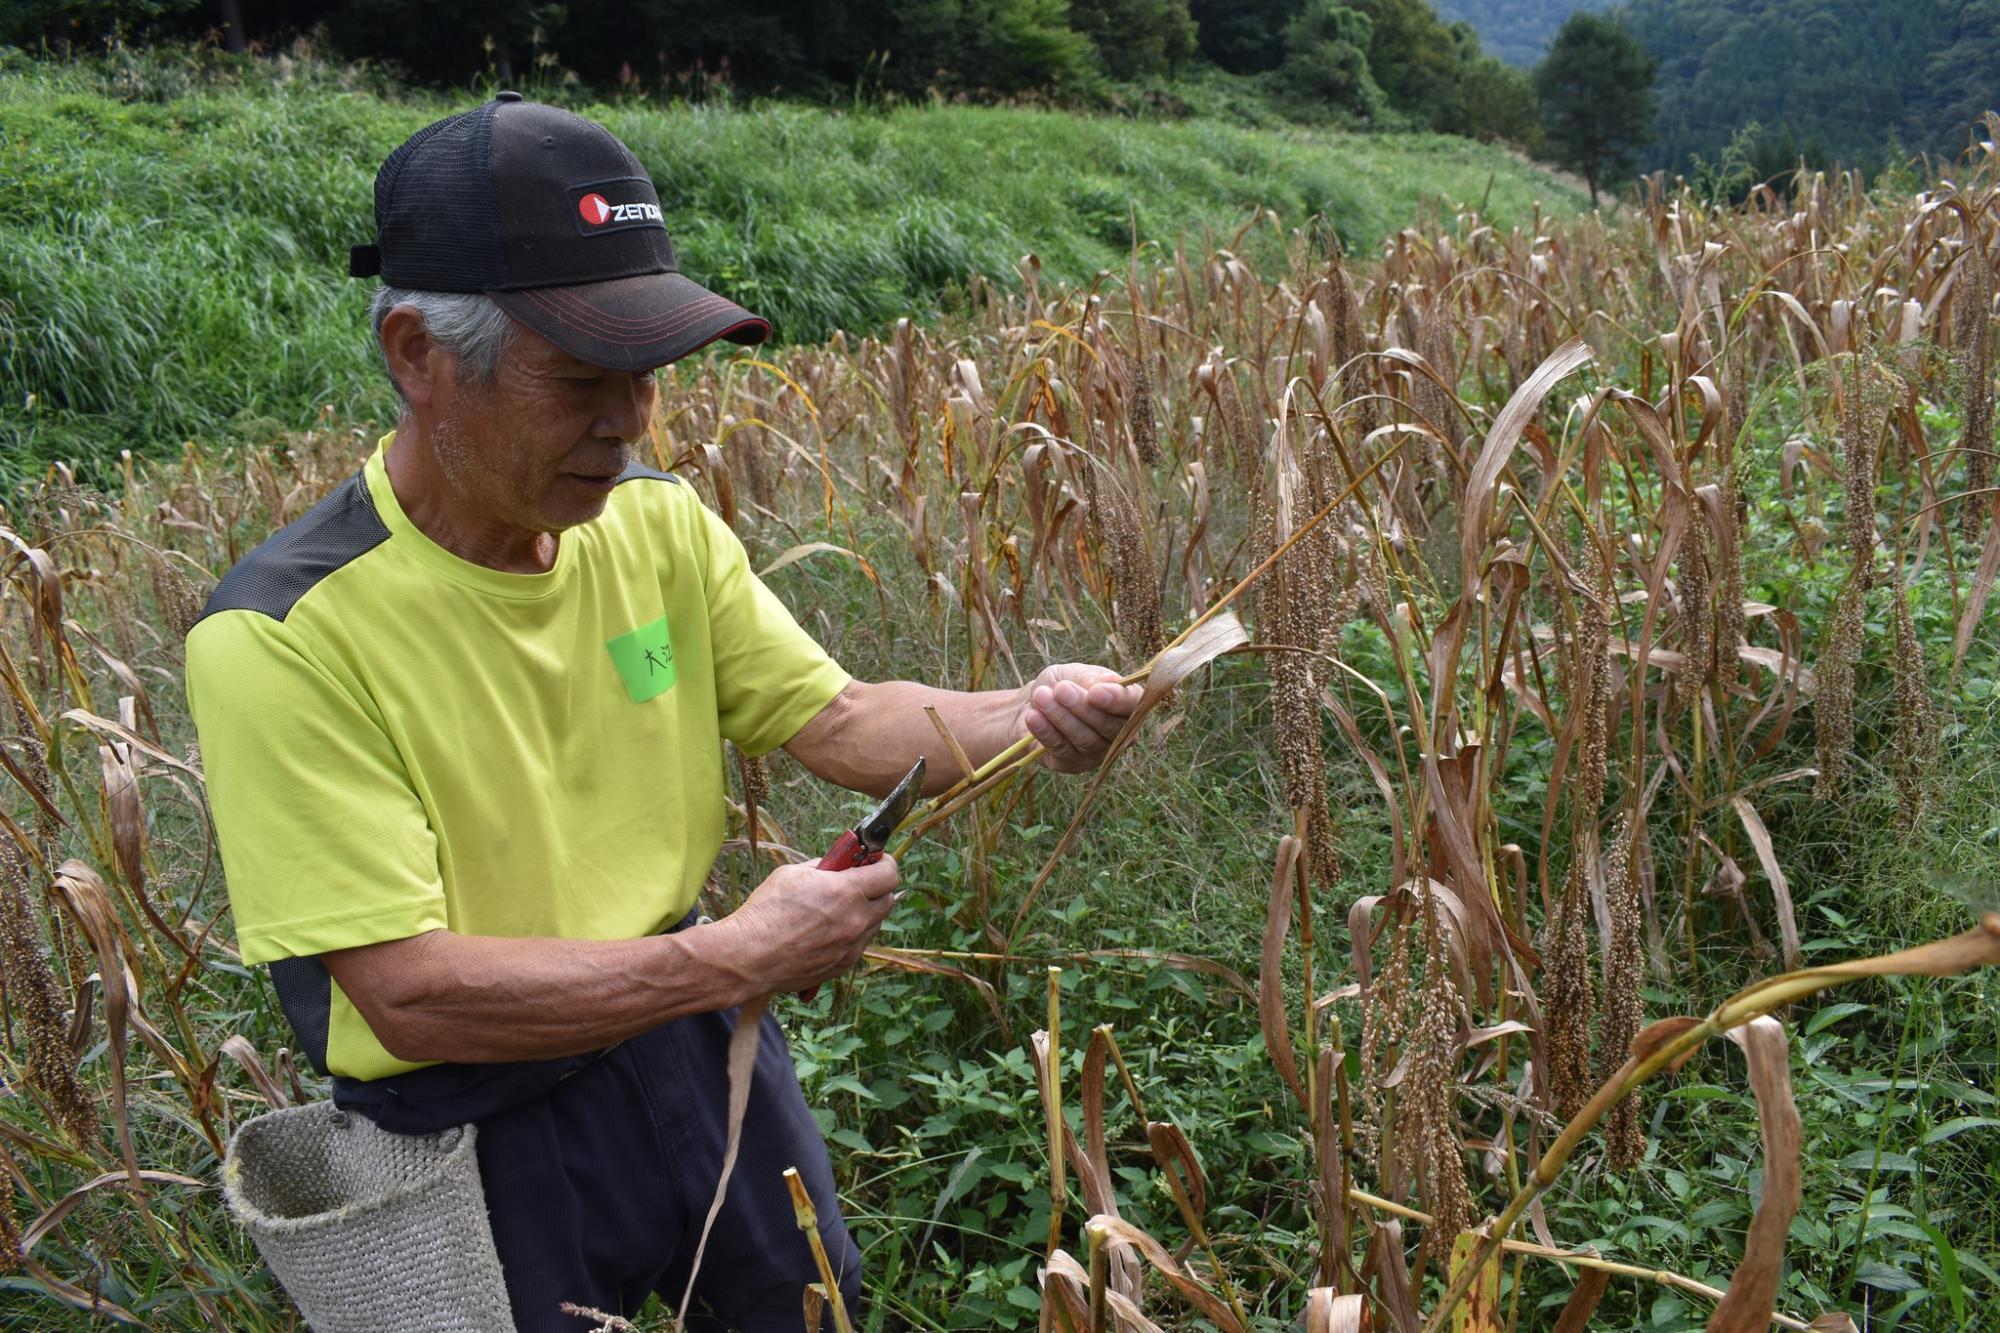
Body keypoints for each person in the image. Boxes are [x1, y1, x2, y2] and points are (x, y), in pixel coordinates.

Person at [184, 94, 1142, 1332]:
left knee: (802, 1308)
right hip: (479, 1127)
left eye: (645, 378)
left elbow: (842, 719)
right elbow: (407, 992)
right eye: (581, 380)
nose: (630, 423)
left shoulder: (650, 523)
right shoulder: (284, 634)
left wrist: (1031, 709)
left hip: (694, 1046)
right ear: (417, 354)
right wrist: (737, 956)